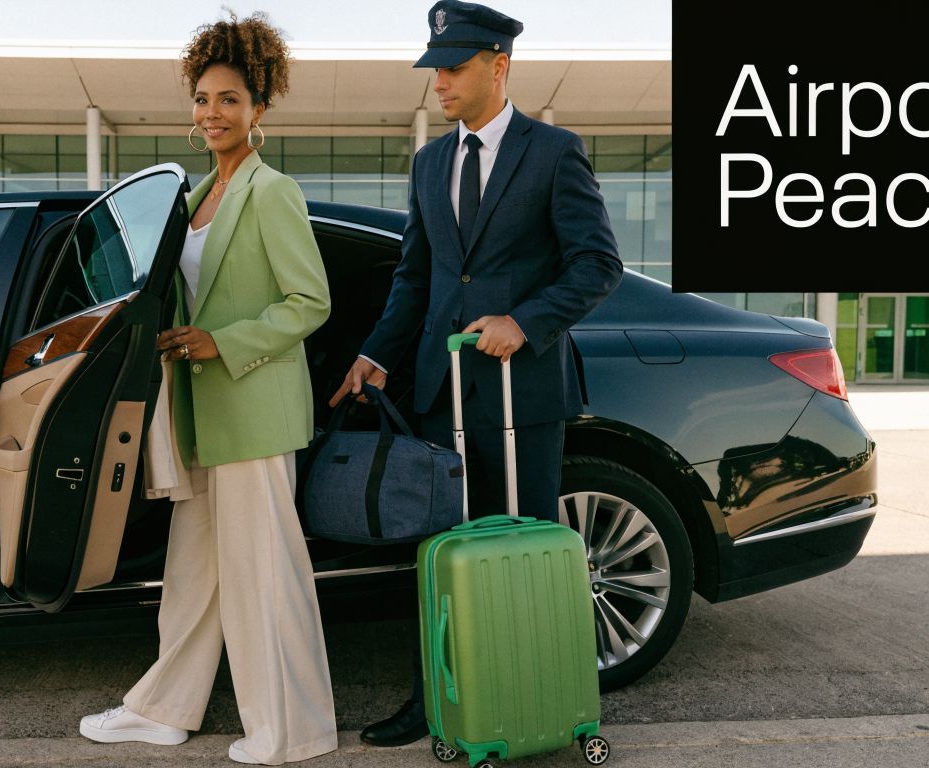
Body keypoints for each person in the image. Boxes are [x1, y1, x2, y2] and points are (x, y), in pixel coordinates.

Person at [329, 0, 623, 748]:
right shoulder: (430, 162)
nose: (440, 83)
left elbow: (598, 264)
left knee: (518, 554)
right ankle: (438, 698)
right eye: (435, 69)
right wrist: (375, 354)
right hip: (441, 395)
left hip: (523, 400)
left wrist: (523, 322)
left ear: (500, 64)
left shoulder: (554, 152)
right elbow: (416, 278)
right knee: (441, 557)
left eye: (454, 68)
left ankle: (525, 699)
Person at [78, 11, 337, 766]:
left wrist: (222, 342)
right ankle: (163, 709)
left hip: (252, 413)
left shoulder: (272, 191)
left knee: (266, 580)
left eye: (228, 99)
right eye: (201, 98)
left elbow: (309, 302)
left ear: (259, 108)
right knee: (192, 577)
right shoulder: (193, 196)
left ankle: (293, 732)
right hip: (196, 416)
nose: (212, 113)